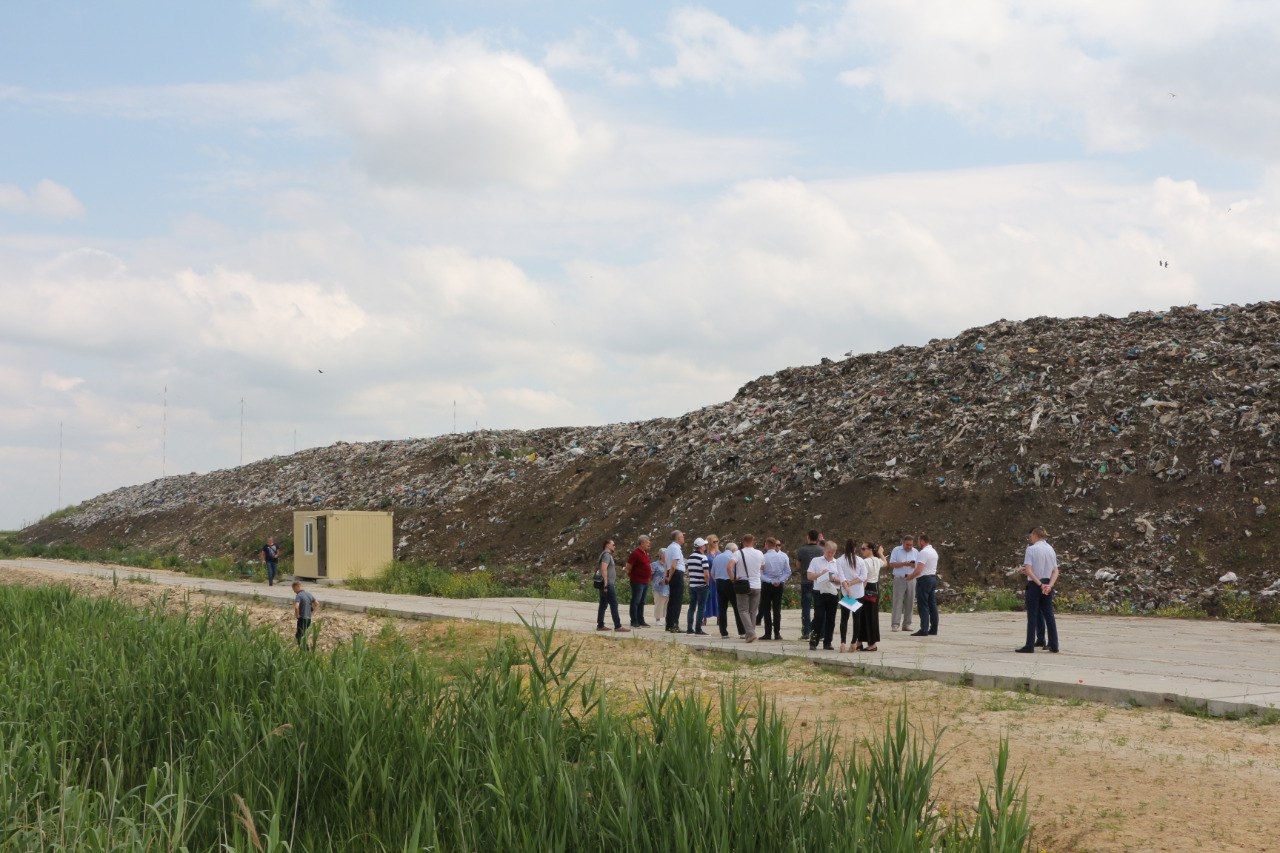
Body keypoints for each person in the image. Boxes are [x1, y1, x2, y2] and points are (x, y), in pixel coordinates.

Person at [1016, 527, 1060, 653]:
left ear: (1035, 535)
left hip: (1035, 584)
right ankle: (1054, 644)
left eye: (1031, 536)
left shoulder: (1031, 549)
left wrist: (1040, 585)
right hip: (1047, 583)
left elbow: (1028, 570)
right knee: (1049, 614)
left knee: (1032, 615)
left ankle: (1029, 645)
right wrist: (1049, 585)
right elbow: (1055, 571)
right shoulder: (1050, 549)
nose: (1030, 538)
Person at [808, 540, 842, 651]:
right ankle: (814, 641)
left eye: (833, 553)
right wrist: (821, 574)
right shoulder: (816, 561)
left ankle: (828, 642)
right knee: (819, 617)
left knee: (831, 619)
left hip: (833, 592)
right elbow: (809, 576)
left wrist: (834, 579)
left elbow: (842, 580)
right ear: (824, 550)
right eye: (828, 552)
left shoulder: (838, 563)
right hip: (819, 592)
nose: (830, 554)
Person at [731, 534, 765, 643]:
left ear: (743, 542)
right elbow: (763, 567)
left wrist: (733, 578)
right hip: (757, 585)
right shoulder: (760, 553)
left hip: (743, 584)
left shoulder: (738, 553)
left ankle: (751, 633)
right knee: (753, 611)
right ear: (753, 541)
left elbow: (729, 566)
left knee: (743, 610)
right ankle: (750, 635)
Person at [837, 539, 867, 653]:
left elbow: (842, 578)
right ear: (855, 548)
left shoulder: (840, 560)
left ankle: (843, 642)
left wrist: (848, 589)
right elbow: (863, 577)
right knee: (856, 618)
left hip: (846, 594)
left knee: (844, 618)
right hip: (858, 593)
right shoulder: (860, 560)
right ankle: (854, 642)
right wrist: (852, 583)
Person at [760, 537, 792, 640]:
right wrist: (779, 580)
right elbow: (788, 572)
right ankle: (777, 633)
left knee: (766, 609)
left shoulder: (763, 557)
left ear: (767, 545)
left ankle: (768, 633)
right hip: (779, 584)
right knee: (777, 609)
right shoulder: (783, 556)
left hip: (767, 584)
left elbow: (760, 574)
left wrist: (770, 580)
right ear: (775, 545)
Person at [908, 534, 940, 636]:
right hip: (932, 578)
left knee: (923, 605)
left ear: (922, 541)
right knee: (932, 604)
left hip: (924, 580)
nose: (918, 543)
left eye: (918, 541)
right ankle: (934, 628)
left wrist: (911, 576)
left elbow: (919, 569)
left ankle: (924, 629)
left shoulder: (924, 552)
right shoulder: (933, 551)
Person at [596, 538, 629, 633]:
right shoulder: (606, 555)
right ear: (607, 545)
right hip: (607, 584)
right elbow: (604, 569)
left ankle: (600, 625)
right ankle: (618, 626)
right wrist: (606, 583)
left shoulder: (604, 554)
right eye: (613, 544)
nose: (615, 546)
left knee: (603, 604)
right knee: (614, 604)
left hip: (605, 583)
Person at [712, 542, 744, 638]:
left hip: (719, 582)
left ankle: (723, 632)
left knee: (722, 608)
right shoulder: (733, 557)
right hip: (730, 582)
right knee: (737, 607)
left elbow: (712, 573)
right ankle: (742, 632)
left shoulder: (717, 557)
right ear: (733, 550)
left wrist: (717, 580)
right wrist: (734, 579)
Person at [795, 530, 823, 640]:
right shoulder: (821, 550)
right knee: (819, 608)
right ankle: (818, 631)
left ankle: (806, 631)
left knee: (806, 608)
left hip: (806, 581)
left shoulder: (802, 550)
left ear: (808, 537)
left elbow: (798, 565)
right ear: (817, 538)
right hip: (818, 582)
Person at [855, 542, 883, 651]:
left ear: (870, 549)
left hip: (866, 589)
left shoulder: (865, 561)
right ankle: (860, 641)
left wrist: (859, 591)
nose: (862, 551)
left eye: (863, 549)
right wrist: (881, 553)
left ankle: (871, 643)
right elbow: (885, 563)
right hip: (875, 589)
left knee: (863, 616)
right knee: (871, 615)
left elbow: (864, 578)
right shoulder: (877, 560)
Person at [888, 535, 919, 632]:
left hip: (911, 579)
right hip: (899, 578)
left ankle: (907, 624)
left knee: (910, 602)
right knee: (897, 601)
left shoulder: (916, 552)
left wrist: (913, 565)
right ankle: (895, 624)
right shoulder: (896, 550)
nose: (909, 547)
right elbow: (892, 564)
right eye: (907, 545)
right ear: (903, 543)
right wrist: (905, 563)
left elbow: (919, 565)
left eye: (911, 545)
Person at [625, 535, 653, 628]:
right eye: (647, 542)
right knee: (636, 601)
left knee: (642, 602)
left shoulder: (646, 553)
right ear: (642, 543)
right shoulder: (635, 553)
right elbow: (628, 566)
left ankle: (641, 620)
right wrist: (631, 575)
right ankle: (634, 621)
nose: (649, 544)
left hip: (645, 581)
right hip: (637, 581)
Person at [685, 537, 711, 635]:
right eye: (704, 545)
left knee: (691, 607)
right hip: (702, 585)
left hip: (692, 585)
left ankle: (689, 628)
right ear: (701, 547)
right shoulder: (703, 557)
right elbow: (706, 574)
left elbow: (688, 572)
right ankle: (698, 629)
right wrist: (707, 584)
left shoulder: (690, 557)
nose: (705, 546)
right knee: (701, 608)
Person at [663, 530, 687, 633]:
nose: (683, 538)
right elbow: (674, 565)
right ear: (678, 538)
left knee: (672, 600)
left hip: (671, 573)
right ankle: (674, 625)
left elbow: (666, 564)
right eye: (682, 536)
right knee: (677, 601)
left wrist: (666, 576)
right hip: (676, 574)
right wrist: (669, 577)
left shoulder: (669, 548)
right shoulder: (676, 548)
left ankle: (669, 624)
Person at [292, 581, 317, 647]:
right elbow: (317, 604)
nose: (294, 591)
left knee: (299, 636)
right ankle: (303, 649)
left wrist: (297, 616)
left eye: (294, 589)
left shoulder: (299, 595)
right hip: (308, 619)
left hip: (302, 619)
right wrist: (313, 613)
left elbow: (296, 607)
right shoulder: (309, 594)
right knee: (300, 634)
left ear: (297, 587)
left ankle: (305, 650)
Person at [703, 535, 721, 623]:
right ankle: (704, 618)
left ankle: (719, 617)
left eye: (717, 541)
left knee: (717, 596)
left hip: (717, 578)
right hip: (708, 577)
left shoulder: (719, 553)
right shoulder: (705, 554)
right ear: (710, 542)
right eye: (714, 541)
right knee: (707, 596)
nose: (716, 543)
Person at [652, 549, 670, 627]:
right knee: (659, 604)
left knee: (667, 604)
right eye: (666, 554)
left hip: (668, 587)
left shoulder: (669, 564)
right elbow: (650, 575)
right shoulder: (654, 564)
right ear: (661, 555)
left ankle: (667, 619)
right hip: (658, 587)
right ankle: (658, 620)